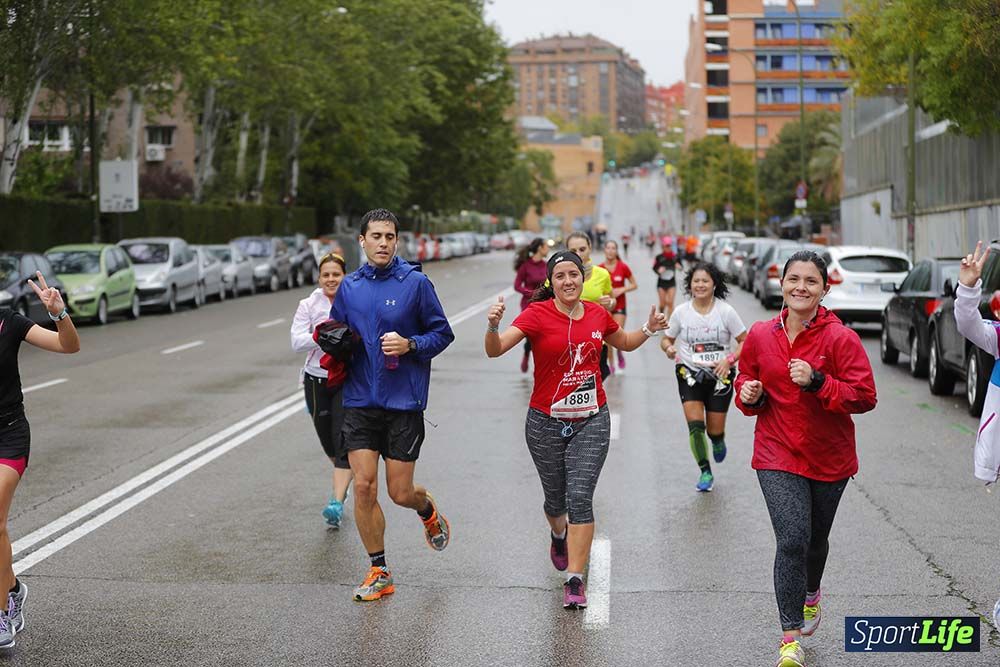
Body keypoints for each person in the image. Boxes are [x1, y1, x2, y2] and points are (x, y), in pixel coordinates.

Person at [484, 251, 668, 609]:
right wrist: (493, 326)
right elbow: (496, 350)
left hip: (591, 419)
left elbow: (624, 342)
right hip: (545, 422)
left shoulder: (598, 314)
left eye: (574, 274)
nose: (569, 281)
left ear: (583, 278)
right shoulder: (537, 314)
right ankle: (558, 534)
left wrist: (648, 329)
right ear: (551, 282)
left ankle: (575, 578)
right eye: (561, 276)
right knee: (556, 502)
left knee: (580, 497)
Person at [734, 251, 876, 667]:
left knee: (815, 541)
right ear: (781, 284)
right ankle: (789, 637)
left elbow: (865, 396)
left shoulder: (840, 339)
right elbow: (746, 376)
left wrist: (818, 382)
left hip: (829, 458)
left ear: (824, 289)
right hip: (776, 451)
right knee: (792, 539)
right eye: (793, 279)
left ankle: (812, 589)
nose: (801, 287)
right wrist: (749, 393)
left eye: (810, 281)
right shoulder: (761, 334)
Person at [330, 208, 455, 602]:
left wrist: (411, 344)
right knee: (364, 487)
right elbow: (335, 331)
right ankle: (379, 570)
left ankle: (426, 508)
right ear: (362, 241)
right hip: (359, 400)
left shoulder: (416, 284)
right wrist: (334, 342)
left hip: (403, 402)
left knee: (399, 492)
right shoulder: (349, 287)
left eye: (389, 236)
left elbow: (443, 333)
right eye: (376, 236)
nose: (383, 243)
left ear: (396, 241)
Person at [0, 272, 80, 647]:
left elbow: (68, 347)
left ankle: (1, 617)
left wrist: (59, 314)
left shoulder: (10, 322)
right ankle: (12, 589)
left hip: (8, 436)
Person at [661, 262, 746, 492]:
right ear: (690, 285)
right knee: (696, 426)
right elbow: (666, 339)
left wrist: (728, 360)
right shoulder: (681, 312)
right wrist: (669, 349)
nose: (700, 285)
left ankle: (718, 440)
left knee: (714, 430)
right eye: (696, 281)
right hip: (689, 373)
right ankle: (705, 471)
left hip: (721, 376)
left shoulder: (726, 312)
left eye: (705, 281)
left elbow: (745, 341)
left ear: (714, 284)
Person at [291, 252, 353, 528]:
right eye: (326, 275)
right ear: (319, 277)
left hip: (345, 378)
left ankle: (336, 502)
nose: (331, 279)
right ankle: (343, 482)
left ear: (344, 277)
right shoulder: (308, 304)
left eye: (336, 275)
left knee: (343, 441)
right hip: (315, 380)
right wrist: (323, 335)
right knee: (328, 442)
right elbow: (296, 341)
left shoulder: (353, 300)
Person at [565, 232, 615, 379]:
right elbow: (544, 302)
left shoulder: (602, 274)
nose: (578, 254)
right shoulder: (557, 275)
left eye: (582, 249)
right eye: (573, 251)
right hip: (567, 339)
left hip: (595, 339)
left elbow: (612, 300)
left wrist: (610, 303)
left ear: (590, 248)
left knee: (598, 377)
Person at [600, 240, 637, 371]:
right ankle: (611, 363)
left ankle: (619, 352)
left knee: (617, 334)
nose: (610, 251)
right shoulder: (599, 269)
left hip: (620, 306)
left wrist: (622, 289)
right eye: (608, 248)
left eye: (613, 248)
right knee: (608, 338)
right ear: (604, 250)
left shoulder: (623, 267)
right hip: (605, 307)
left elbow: (634, 284)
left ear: (616, 251)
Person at [513, 238, 548, 374]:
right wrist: (531, 293)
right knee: (531, 335)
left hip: (544, 304)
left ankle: (541, 366)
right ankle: (527, 354)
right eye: (546, 246)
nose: (548, 249)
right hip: (528, 305)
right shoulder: (526, 266)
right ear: (540, 248)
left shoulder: (546, 265)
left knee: (543, 337)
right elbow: (517, 286)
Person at [653, 242, 682, 318]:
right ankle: (662, 313)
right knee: (662, 304)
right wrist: (658, 271)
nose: (668, 248)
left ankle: (670, 322)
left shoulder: (675, 256)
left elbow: (681, 267)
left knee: (670, 302)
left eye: (669, 246)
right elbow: (654, 267)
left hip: (671, 283)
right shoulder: (659, 257)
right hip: (661, 283)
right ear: (663, 247)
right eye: (666, 246)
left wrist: (679, 267)